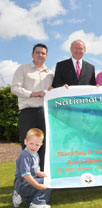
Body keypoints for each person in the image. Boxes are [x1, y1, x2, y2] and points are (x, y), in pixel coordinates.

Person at [11, 43, 53, 171]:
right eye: (38, 52)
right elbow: (15, 88)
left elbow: (54, 91)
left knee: (44, 146)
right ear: (32, 54)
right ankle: (27, 180)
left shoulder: (50, 73)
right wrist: (33, 94)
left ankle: (42, 178)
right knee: (29, 147)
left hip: (45, 113)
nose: (40, 55)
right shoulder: (23, 69)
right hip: (28, 113)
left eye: (43, 53)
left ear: (46, 56)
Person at [12, 128, 52, 208]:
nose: (34, 147)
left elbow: (35, 168)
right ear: (25, 142)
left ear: (41, 145)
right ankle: (37, 203)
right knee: (47, 182)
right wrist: (37, 185)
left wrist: (39, 173)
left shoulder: (35, 154)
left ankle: (20, 196)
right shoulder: (25, 156)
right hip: (23, 183)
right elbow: (26, 175)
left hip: (27, 183)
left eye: (37, 145)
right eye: (31, 143)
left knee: (46, 179)